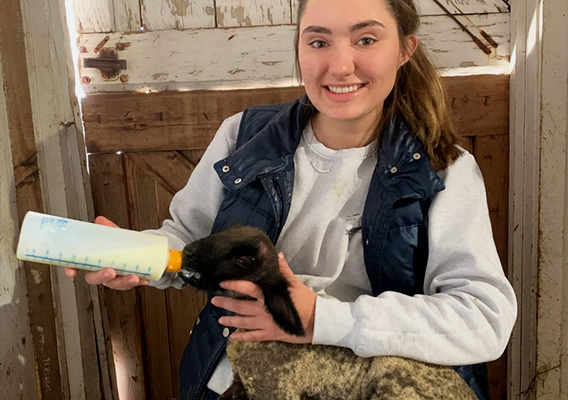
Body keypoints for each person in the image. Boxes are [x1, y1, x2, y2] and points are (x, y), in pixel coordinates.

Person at [66, 0, 517, 399]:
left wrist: (319, 318)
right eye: (318, 42)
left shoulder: (443, 169)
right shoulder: (243, 137)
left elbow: (484, 319)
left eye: (365, 39)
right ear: (299, 50)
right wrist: (134, 256)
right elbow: (187, 242)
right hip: (234, 377)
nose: (340, 66)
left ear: (404, 50)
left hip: (375, 383)